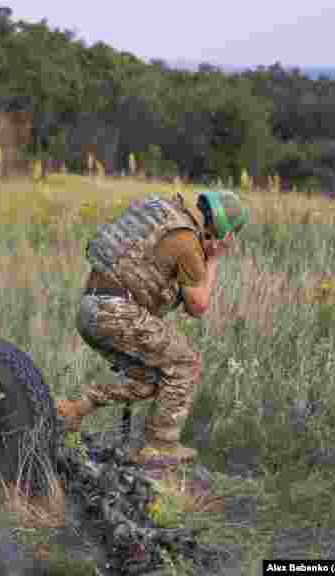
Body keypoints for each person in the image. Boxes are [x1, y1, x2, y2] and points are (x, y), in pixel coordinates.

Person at [56, 189, 248, 465]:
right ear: (220, 231)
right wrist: (214, 260)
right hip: (116, 310)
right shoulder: (188, 244)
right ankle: (160, 445)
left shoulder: (167, 214)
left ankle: (73, 408)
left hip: (91, 307)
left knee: (151, 379)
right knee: (185, 364)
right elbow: (199, 306)